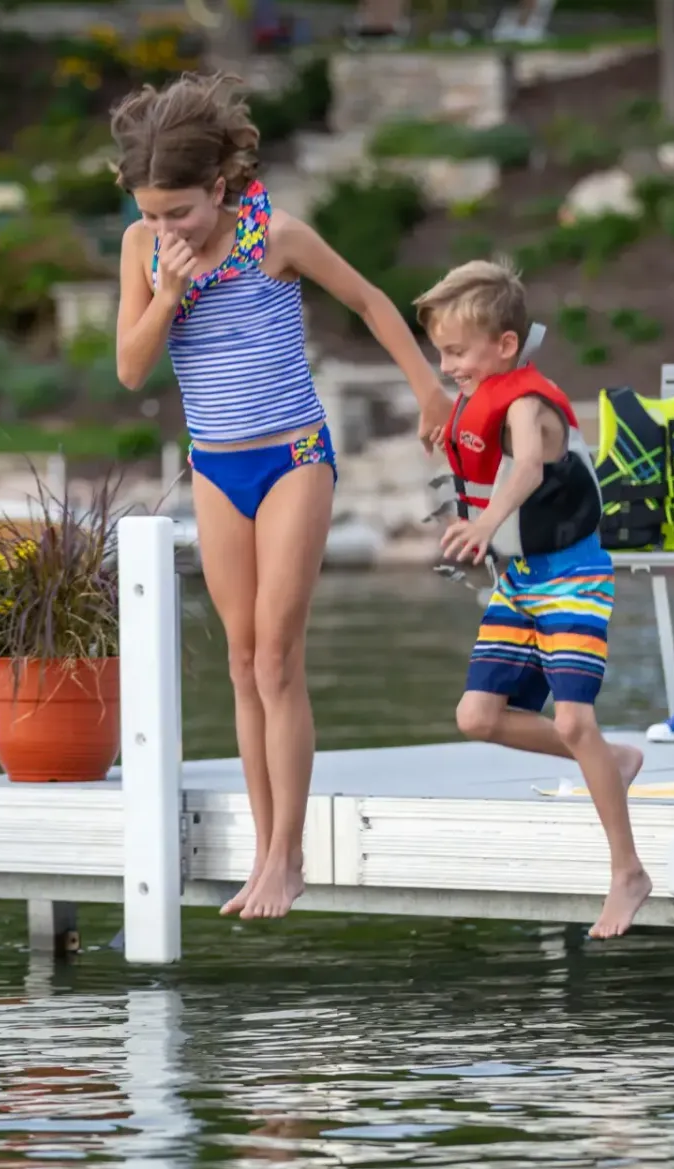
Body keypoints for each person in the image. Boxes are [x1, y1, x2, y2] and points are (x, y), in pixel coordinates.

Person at [110, 72, 454, 921]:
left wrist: (430, 391)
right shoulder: (143, 252)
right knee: (238, 660)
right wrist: (167, 289)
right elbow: (128, 368)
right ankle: (265, 854)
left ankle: (287, 856)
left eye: (180, 212)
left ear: (219, 190)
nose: (165, 228)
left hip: (294, 456)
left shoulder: (277, 236)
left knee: (276, 655)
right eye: (152, 214)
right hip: (218, 466)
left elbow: (372, 301)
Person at [415, 260, 652, 939]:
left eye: (457, 352)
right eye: (442, 351)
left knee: (577, 723)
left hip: (573, 578)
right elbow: (479, 452)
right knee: (477, 715)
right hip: (521, 583)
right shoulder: (479, 395)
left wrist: (486, 521)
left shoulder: (526, 404)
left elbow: (524, 464)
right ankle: (614, 760)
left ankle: (627, 871)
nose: (448, 364)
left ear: (506, 347)